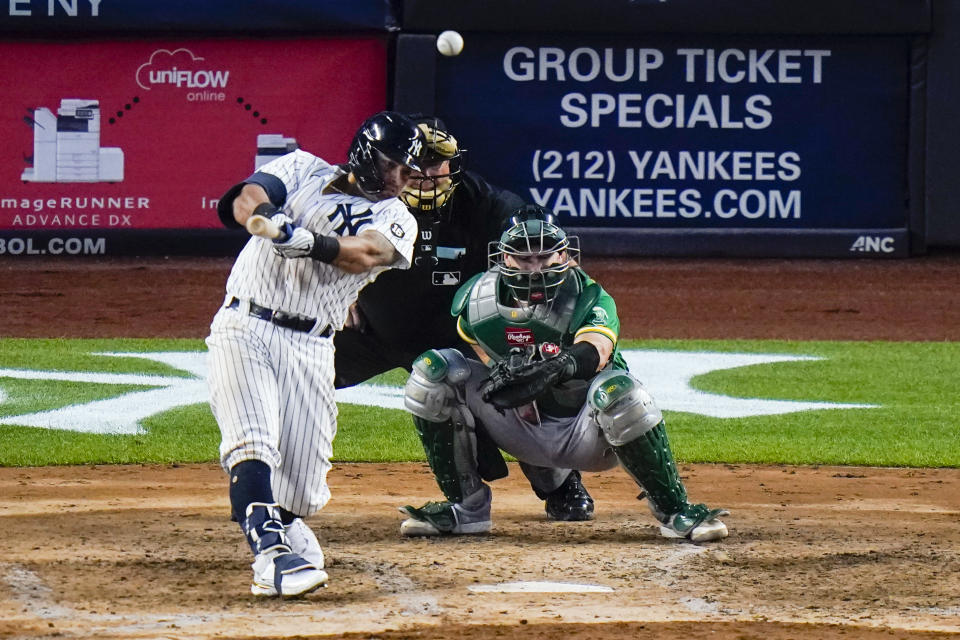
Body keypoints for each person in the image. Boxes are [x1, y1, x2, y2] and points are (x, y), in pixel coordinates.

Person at [397, 205, 729, 542]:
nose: (535, 268)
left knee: (620, 392)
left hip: (589, 433)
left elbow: (595, 350)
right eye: (524, 258)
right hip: (522, 427)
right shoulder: (477, 300)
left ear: (566, 256)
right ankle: (464, 510)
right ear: (503, 259)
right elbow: (478, 358)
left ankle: (675, 511)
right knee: (433, 372)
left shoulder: (589, 296)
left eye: (545, 257)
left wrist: (557, 365)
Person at [206, 111, 427, 597]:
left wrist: (303, 241)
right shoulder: (303, 167)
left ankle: (277, 523)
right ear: (371, 160)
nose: (407, 181)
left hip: (312, 345)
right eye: (400, 168)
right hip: (244, 325)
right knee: (253, 443)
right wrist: (270, 219)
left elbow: (363, 254)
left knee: (302, 488)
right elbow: (248, 197)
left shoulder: (397, 218)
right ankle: (270, 555)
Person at [332, 116, 596, 522]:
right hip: (374, 330)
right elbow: (317, 237)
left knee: (515, 392)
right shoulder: (366, 198)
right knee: (297, 368)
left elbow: (535, 233)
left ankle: (556, 481)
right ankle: (276, 479)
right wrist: (337, 290)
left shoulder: (486, 205)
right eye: (418, 162)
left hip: (457, 338)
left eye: (439, 163)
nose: (428, 172)